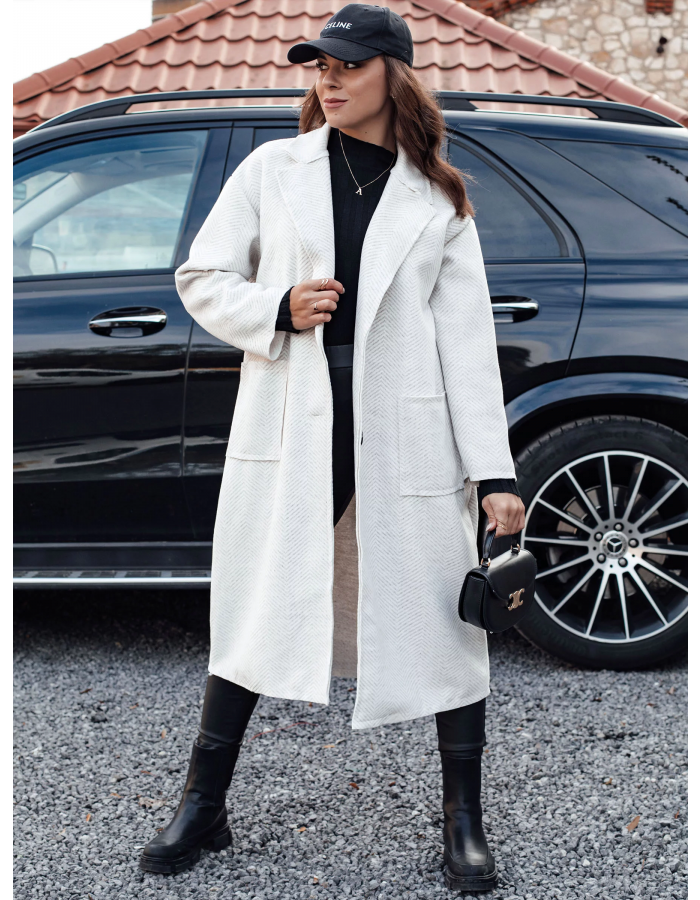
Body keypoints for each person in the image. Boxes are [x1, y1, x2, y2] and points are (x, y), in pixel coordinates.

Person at [139, 4, 526, 892]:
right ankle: (203, 806)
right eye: (321, 64)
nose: (330, 77)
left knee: (446, 623)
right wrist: (276, 309)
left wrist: (494, 471)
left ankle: (464, 824)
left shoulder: (439, 198)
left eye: (349, 64)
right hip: (293, 424)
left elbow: (467, 343)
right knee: (255, 608)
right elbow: (201, 275)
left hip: (408, 435)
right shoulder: (272, 169)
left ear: (395, 74)